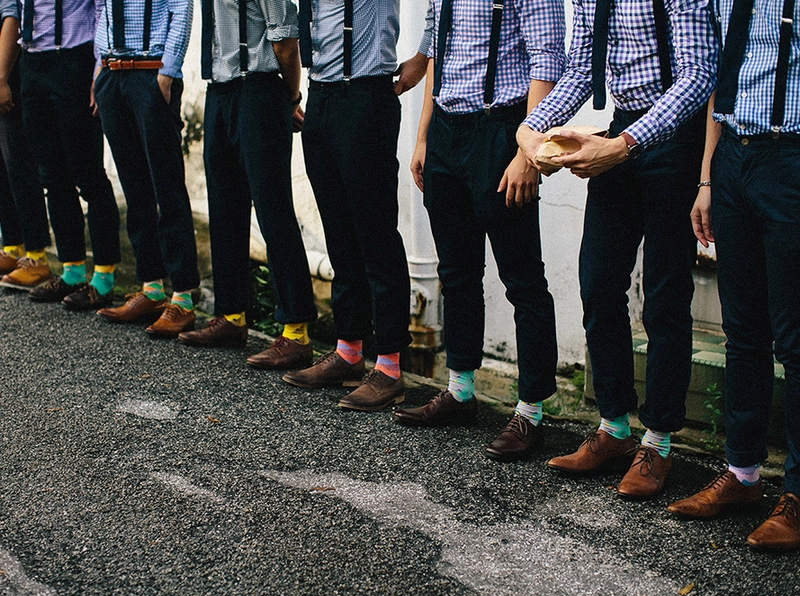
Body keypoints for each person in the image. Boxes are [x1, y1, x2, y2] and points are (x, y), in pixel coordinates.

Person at [517, 0, 717, 497]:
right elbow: (582, 68)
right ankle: (615, 429)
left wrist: (624, 143)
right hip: (622, 131)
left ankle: (659, 441)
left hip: (674, 138)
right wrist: (530, 127)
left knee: (666, 297)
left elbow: (698, 74)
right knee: (599, 283)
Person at [391, 0, 564, 463]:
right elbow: (439, 56)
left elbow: (547, 60)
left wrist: (529, 152)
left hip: (500, 131)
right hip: (447, 130)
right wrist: (425, 137)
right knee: (457, 272)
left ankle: (530, 412)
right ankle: (460, 391)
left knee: (523, 280)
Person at [667, 0, 800, 551]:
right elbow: (722, 81)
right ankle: (743, 474)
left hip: (790, 159)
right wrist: (705, 181)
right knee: (742, 333)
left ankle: (796, 495)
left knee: (795, 340)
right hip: (733, 162)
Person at [280, 0, 430, 411]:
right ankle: (348, 351)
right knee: (340, 235)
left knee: (376, 236)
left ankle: (389, 366)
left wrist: (423, 56)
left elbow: (439, 6)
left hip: (366, 96)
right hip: (321, 96)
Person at [177, 0, 318, 369]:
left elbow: (286, 41)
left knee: (273, 210)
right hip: (219, 91)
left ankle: (296, 333)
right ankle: (231, 316)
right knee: (224, 207)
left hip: (259, 90)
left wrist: (290, 97)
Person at [93, 0, 200, 337]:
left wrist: (168, 73)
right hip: (113, 74)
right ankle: (151, 288)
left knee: (166, 187)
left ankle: (182, 298)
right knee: (135, 188)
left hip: (150, 74)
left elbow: (182, 11)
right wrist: (101, 70)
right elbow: (102, 11)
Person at [12, 0, 121, 311]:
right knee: (52, 175)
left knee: (88, 175)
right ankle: (72, 269)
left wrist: (98, 68)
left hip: (74, 61)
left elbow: (102, 9)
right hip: (32, 63)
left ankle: (104, 277)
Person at [0, 3, 50, 286]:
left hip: (9, 70)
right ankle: (12, 247)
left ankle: (37, 254)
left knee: (18, 162)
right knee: (3, 164)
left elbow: (11, 17)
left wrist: (2, 78)